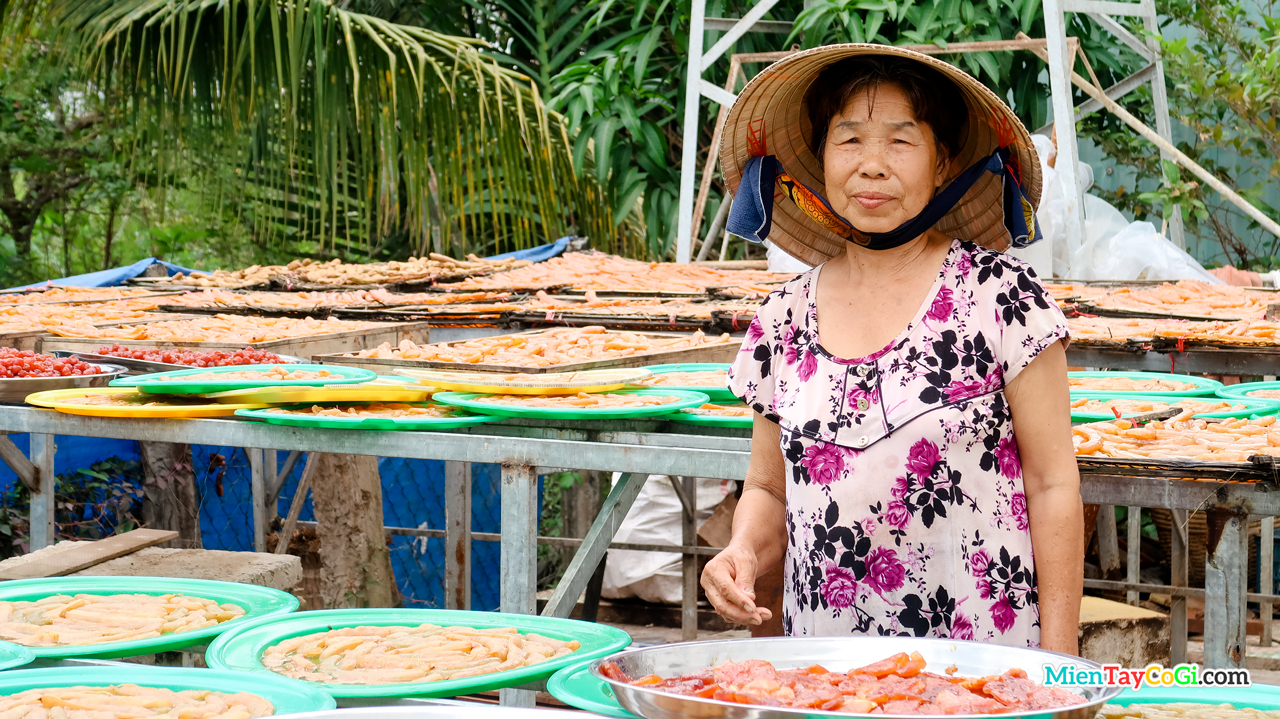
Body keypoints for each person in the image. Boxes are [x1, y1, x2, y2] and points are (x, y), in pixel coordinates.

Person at [700, 44, 1084, 655]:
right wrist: (741, 551)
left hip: (981, 664)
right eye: (848, 140)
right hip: (828, 670)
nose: (871, 165)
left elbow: (1052, 485)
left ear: (942, 163)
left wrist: (1062, 668)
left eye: (900, 142)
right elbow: (770, 491)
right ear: (820, 159)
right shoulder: (782, 320)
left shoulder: (1001, 299)